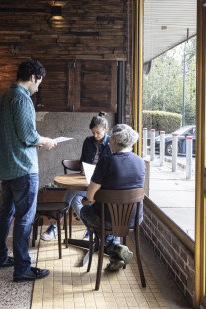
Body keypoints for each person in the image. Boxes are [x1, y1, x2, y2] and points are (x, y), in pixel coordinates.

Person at [0, 58, 57, 282]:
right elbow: (28, 136)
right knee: (25, 219)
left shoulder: (2, 98)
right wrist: (45, 140)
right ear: (32, 77)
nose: (38, 87)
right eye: (39, 82)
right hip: (23, 168)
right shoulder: (22, 98)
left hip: (6, 167)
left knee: (5, 215)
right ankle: (22, 269)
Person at [79, 124, 145, 272]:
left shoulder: (106, 161)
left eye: (110, 140)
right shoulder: (140, 162)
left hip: (108, 219)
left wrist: (89, 200)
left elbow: (90, 196)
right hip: (135, 219)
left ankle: (114, 246)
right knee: (101, 215)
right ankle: (116, 257)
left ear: (114, 139)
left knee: (85, 210)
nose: (108, 142)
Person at [41, 112, 111, 241]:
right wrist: (83, 168)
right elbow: (83, 161)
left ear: (105, 129)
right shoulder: (88, 141)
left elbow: (111, 166)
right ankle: (91, 230)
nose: (95, 136)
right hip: (86, 181)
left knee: (71, 192)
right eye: (93, 132)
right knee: (74, 199)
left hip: (102, 185)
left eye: (98, 133)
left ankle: (55, 226)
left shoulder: (111, 143)